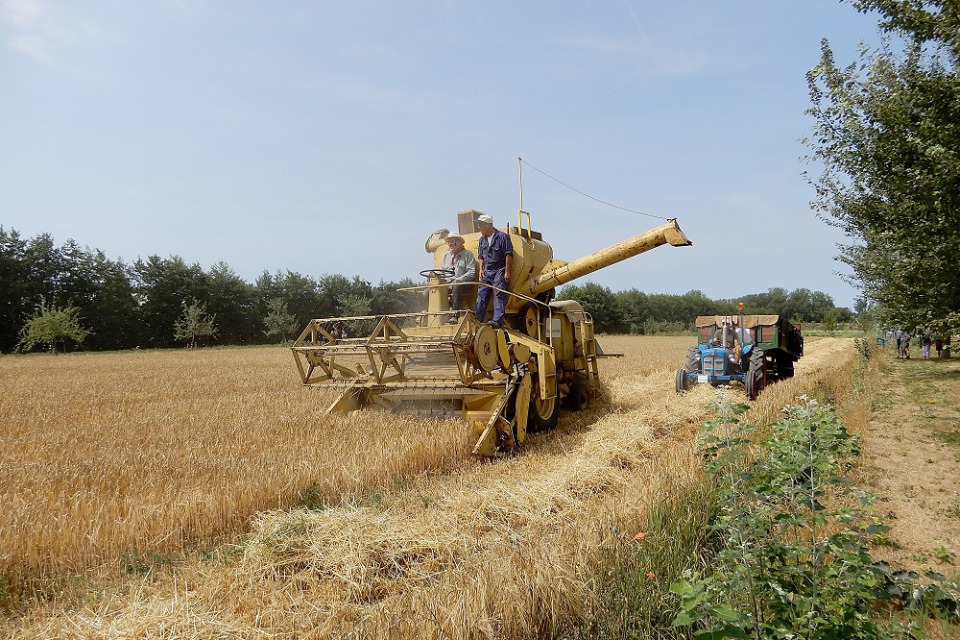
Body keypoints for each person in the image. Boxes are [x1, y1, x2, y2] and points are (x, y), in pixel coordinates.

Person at [473, 213, 513, 328]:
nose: (478, 227)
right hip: (487, 270)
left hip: (499, 270)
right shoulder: (482, 240)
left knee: (498, 294)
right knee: (481, 295)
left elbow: (508, 255)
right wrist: (481, 269)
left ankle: (497, 320)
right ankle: (478, 319)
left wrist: (507, 272)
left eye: (480, 225)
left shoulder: (502, 237)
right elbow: (481, 256)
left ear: (487, 225)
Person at [440, 232, 476, 310]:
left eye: (452, 241)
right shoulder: (446, 256)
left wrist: (457, 281)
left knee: (456, 286)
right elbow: (442, 273)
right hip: (447, 284)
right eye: (448, 242)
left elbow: (471, 273)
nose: (450, 244)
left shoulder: (468, 255)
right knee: (427, 292)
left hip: (463, 285)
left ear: (459, 242)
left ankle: (455, 314)